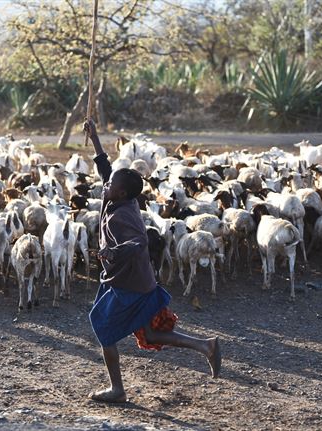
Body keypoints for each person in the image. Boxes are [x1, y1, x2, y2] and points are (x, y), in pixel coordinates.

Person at [84, 119, 221, 404]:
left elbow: (140, 242)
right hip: (127, 278)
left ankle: (117, 389)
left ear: (120, 193)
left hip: (128, 283)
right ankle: (206, 346)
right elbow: (106, 170)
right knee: (150, 331)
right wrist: (96, 139)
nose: (105, 184)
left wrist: (115, 251)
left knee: (102, 325)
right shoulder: (121, 199)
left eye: (110, 185)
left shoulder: (123, 214)